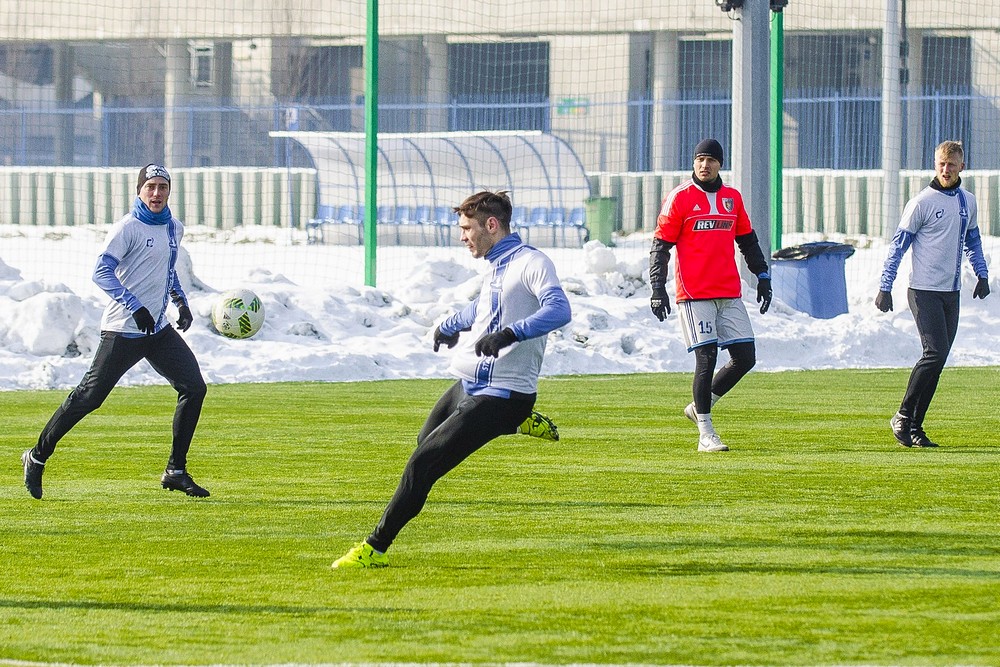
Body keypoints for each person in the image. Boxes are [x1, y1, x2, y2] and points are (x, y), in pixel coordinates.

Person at [332, 190, 572, 568]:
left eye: (466, 228)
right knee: (422, 443)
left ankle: (374, 547)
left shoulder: (531, 263)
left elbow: (559, 309)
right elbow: (486, 306)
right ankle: (516, 424)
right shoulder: (496, 264)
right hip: (469, 383)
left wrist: (512, 334)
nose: (462, 236)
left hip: (502, 394)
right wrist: (451, 325)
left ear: (491, 226)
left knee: (421, 465)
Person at [21, 164, 210, 499]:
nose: (156, 193)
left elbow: (167, 271)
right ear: (139, 190)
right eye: (150, 186)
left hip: (157, 329)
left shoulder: (174, 227)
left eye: (162, 187)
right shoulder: (127, 227)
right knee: (88, 398)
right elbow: (101, 272)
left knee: (194, 388)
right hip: (123, 329)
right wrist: (134, 305)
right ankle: (36, 456)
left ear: (169, 191)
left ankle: (175, 470)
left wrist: (180, 302)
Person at [648, 138, 772, 453]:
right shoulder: (679, 198)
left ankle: (699, 406)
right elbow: (661, 245)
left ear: (720, 164)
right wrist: (657, 287)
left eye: (711, 160)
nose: (705, 165)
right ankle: (706, 432)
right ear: (693, 163)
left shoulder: (733, 198)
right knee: (707, 358)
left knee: (745, 358)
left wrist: (763, 275)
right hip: (694, 293)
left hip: (728, 291)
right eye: (700, 159)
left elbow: (747, 240)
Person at [875, 140, 990, 448]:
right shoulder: (922, 202)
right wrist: (885, 287)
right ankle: (901, 416)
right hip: (923, 291)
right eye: (941, 164)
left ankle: (914, 427)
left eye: (951, 164)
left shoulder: (968, 201)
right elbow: (898, 246)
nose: (945, 169)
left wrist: (982, 273)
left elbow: (973, 241)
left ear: (961, 167)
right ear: (935, 165)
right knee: (934, 352)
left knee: (939, 360)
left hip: (950, 293)